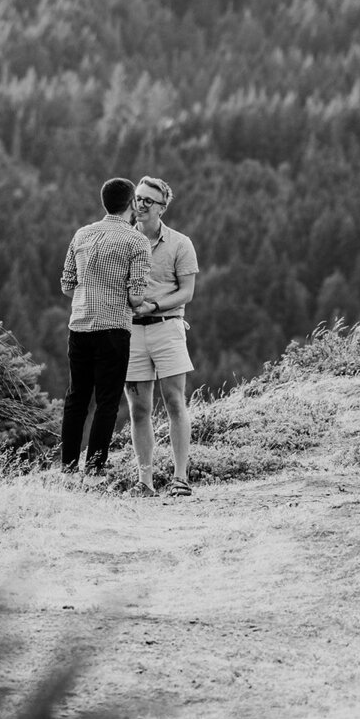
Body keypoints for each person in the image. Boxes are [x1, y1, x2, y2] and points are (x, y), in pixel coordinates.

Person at [59, 177, 152, 475]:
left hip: (80, 325)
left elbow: (67, 286)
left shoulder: (82, 234)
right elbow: (136, 297)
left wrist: (91, 293)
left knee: (76, 399)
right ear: (132, 203)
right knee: (107, 401)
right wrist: (146, 305)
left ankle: (68, 468)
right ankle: (94, 469)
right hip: (113, 327)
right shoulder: (137, 241)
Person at [123, 175, 199, 498]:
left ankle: (180, 478)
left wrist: (153, 304)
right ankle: (145, 481)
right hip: (131, 331)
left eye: (147, 201)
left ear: (162, 208)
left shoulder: (180, 244)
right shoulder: (123, 240)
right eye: (137, 198)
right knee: (138, 409)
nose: (140, 204)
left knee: (174, 401)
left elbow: (187, 292)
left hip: (167, 326)